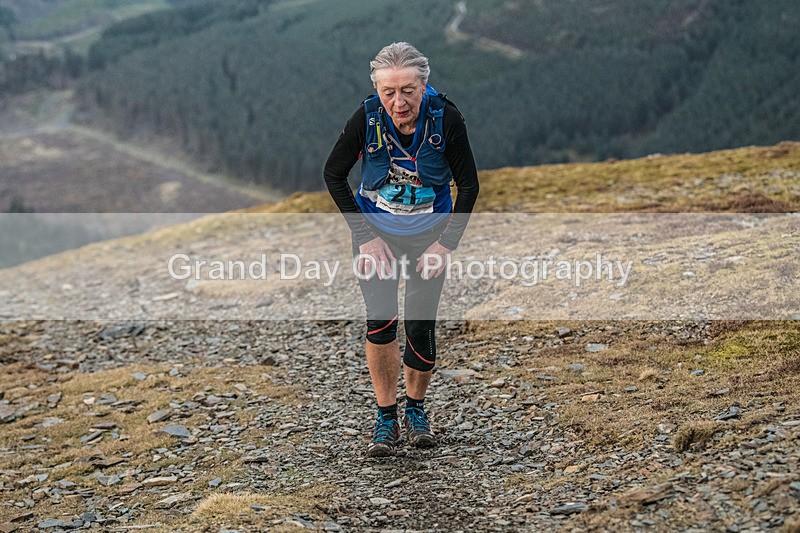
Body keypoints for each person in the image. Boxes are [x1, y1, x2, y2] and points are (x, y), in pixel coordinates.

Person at [323, 42, 479, 457]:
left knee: (421, 329)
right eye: (388, 92)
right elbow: (333, 174)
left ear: (423, 85)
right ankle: (386, 417)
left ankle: (417, 411)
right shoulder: (368, 116)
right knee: (381, 324)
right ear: (377, 89)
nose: (398, 101)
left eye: (408, 90)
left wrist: (445, 245)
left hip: (430, 235)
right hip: (377, 234)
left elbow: (469, 186)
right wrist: (365, 236)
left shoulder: (446, 118)